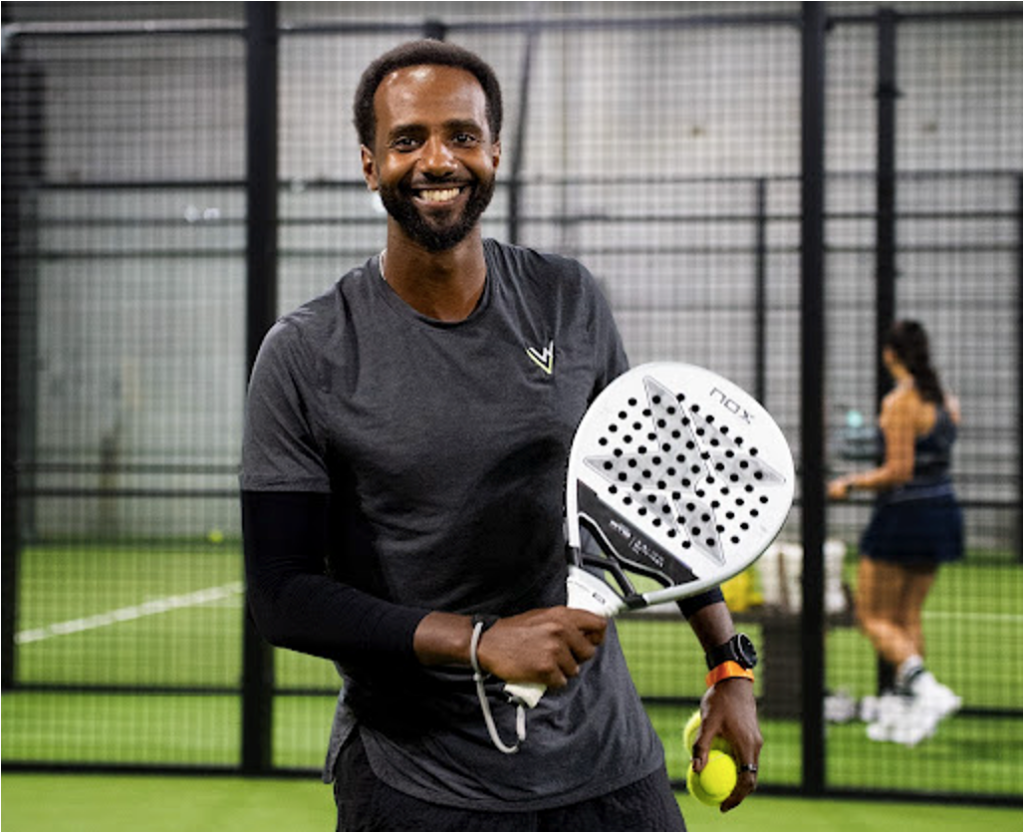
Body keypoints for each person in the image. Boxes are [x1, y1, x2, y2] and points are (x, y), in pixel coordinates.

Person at [241, 39, 761, 830]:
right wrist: (480, 641)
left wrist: (727, 661)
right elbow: (283, 594)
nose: (437, 159)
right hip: (419, 780)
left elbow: (645, 496)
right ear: (370, 164)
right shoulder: (308, 351)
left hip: (609, 770)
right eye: (407, 139)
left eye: (461, 135)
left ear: (493, 152)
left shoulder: (567, 299)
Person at [828, 319, 963, 746]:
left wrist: (849, 483)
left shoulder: (900, 402)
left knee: (871, 616)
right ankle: (912, 712)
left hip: (904, 517)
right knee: (906, 618)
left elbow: (899, 470)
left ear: (890, 353)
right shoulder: (945, 401)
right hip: (942, 512)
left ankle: (926, 689)